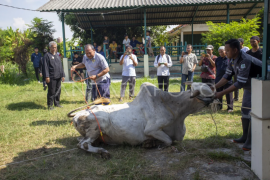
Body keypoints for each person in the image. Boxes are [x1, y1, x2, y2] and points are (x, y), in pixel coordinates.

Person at [215, 39, 262, 151]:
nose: (225, 52)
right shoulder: (231, 60)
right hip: (249, 87)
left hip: (261, 87)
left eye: (227, 50)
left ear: (235, 50)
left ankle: (251, 141)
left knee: (254, 113)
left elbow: (239, 83)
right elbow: (227, 76)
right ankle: (245, 136)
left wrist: (221, 93)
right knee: (245, 110)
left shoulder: (245, 60)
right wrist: (214, 87)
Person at [43, 41, 65, 110]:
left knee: (58, 90)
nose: (54, 49)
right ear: (49, 47)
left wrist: (63, 75)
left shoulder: (57, 56)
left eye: (55, 47)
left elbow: (60, 66)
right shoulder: (47, 56)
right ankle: (50, 105)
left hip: (58, 76)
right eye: (53, 47)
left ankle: (57, 103)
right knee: (51, 91)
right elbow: (45, 67)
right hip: (51, 76)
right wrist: (47, 76)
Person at [215, 46, 233, 113]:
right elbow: (217, 68)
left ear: (225, 51)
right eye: (219, 52)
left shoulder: (229, 59)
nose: (221, 53)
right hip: (219, 79)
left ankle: (230, 107)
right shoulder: (217, 59)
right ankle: (219, 106)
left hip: (227, 79)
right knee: (219, 92)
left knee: (228, 93)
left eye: (222, 51)